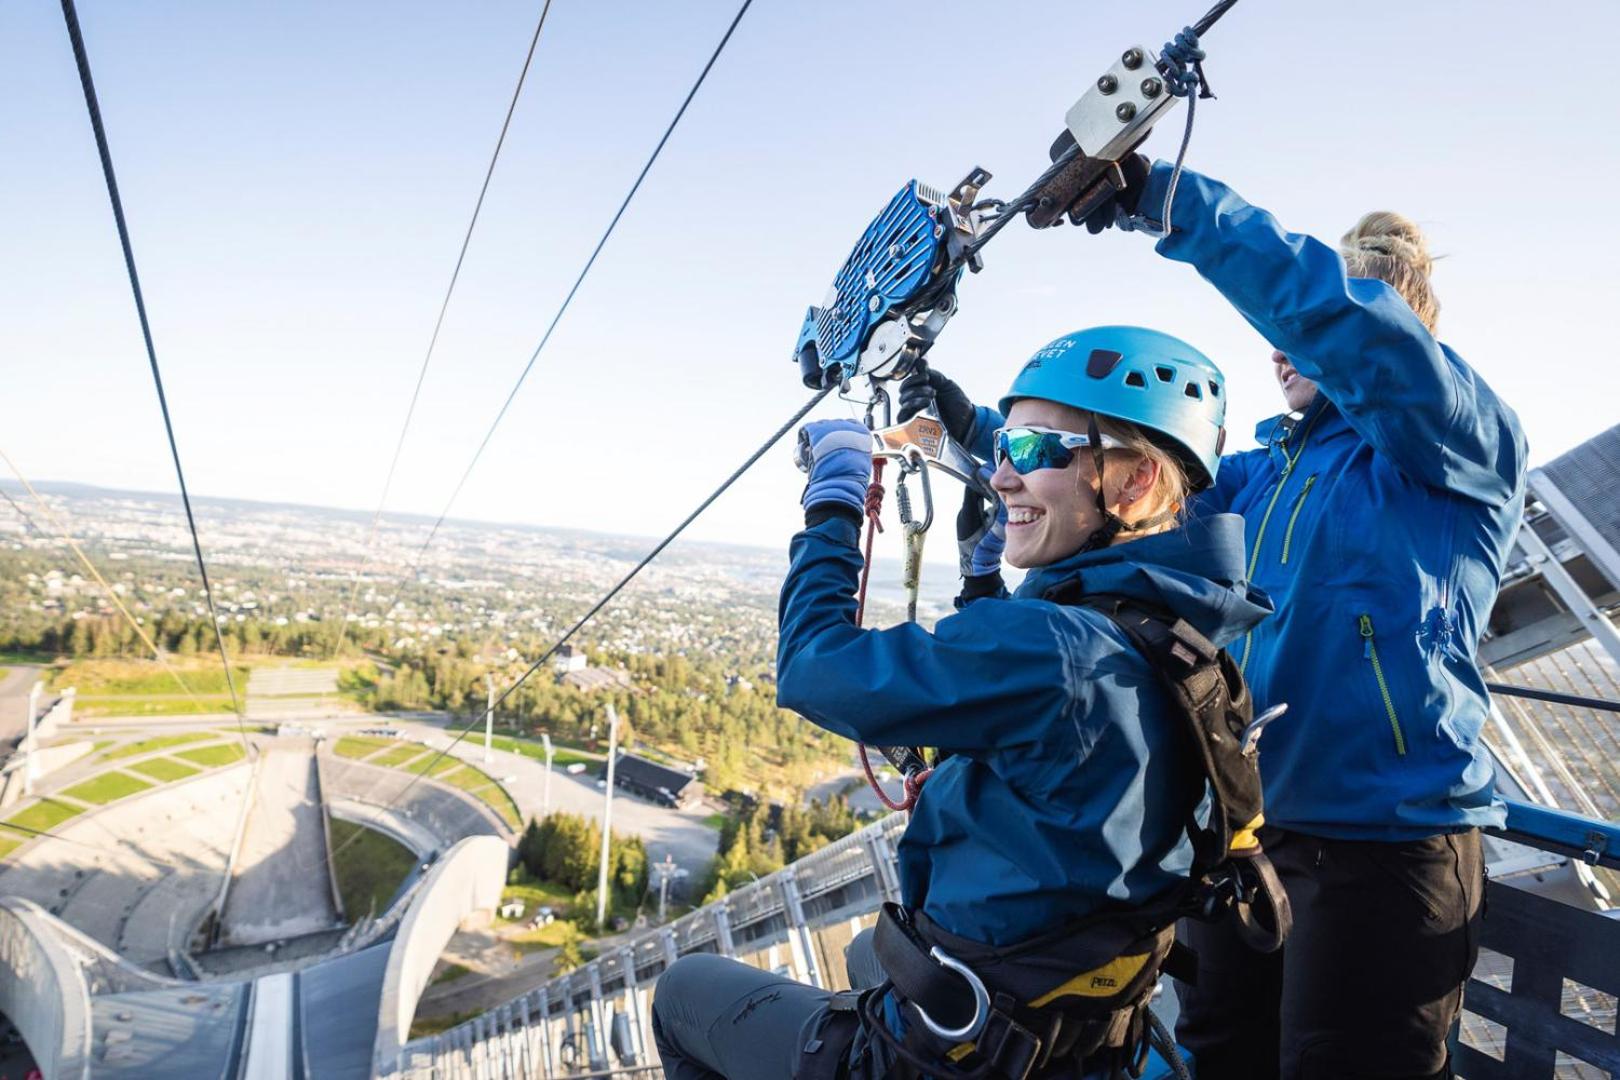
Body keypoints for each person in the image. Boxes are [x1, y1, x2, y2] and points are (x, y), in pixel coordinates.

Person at [906, 156, 1527, 1078]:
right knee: (1221, 1055)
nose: (1277, 347)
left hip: (1386, 843)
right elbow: (1119, 478)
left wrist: (1165, 202)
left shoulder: (1455, 451)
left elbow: (1349, 331)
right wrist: (971, 427)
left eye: (1299, 327)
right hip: (1249, 834)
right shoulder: (1262, 475)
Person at [651, 325, 1273, 1079]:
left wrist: (833, 505)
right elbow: (1052, 741)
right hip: (1078, 1037)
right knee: (867, 952)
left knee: (683, 994)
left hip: (952, 1055)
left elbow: (814, 666)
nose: (1004, 475)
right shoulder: (1180, 637)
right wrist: (985, 586)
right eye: (1005, 447)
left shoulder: (1058, 648)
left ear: (1135, 480)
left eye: (1036, 450)